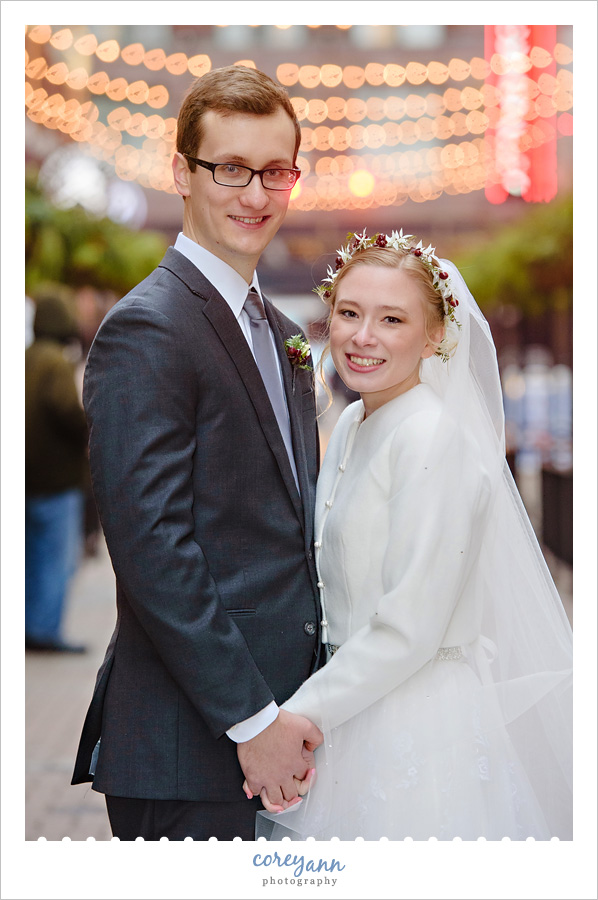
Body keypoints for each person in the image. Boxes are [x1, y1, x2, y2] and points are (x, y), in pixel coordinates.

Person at [71, 65, 323, 840]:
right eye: (230, 169)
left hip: (284, 729)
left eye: (274, 171)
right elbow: (152, 549)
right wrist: (252, 723)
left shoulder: (282, 330)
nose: (255, 194)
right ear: (181, 172)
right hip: (192, 744)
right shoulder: (148, 326)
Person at [254, 230, 573, 840]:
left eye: (391, 319)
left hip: (416, 720)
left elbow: (411, 626)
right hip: (349, 705)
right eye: (348, 313)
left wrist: (296, 718)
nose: (361, 337)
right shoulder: (352, 421)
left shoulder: (431, 435)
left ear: (433, 336)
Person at [25, 290, 88, 653]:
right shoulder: (55, 363)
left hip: (28, 480)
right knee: (56, 561)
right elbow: (66, 409)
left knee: (34, 560)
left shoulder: (26, 358)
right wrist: (88, 426)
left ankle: (33, 626)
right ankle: (45, 632)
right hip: (57, 480)